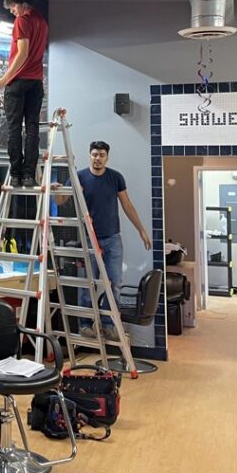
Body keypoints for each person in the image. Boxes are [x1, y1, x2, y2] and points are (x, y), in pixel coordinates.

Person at [77, 140, 152, 342]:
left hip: (112, 238)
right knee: (87, 283)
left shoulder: (115, 177)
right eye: (94, 154)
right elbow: (60, 201)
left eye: (101, 155)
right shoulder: (80, 177)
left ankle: (109, 324)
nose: (97, 158)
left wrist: (141, 230)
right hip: (89, 238)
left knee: (115, 283)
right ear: (89, 155)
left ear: (107, 157)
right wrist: (57, 189)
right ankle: (85, 324)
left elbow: (127, 205)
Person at [0, 0, 48, 187]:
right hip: (36, 82)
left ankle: (16, 174)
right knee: (32, 128)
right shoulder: (42, 21)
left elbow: (22, 53)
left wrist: (5, 79)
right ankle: (29, 174)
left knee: (15, 129)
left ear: (21, 4)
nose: (12, 11)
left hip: (19, 82)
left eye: (13, 7)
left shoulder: (22, 20)